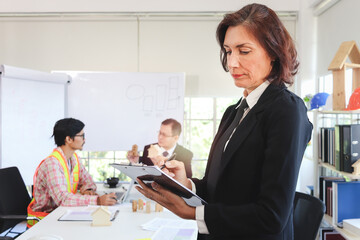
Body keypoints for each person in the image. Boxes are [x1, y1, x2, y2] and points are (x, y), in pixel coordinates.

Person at [135, 3, 313, 240]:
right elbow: (220, 187)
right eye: (229, 51)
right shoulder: (234, 111)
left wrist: (191, 213)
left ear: (273, 52)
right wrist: (187, 184)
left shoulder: (287, 110)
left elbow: (271, 216)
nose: (232, 63)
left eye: (244, 51)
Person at [27, 118, 117, 227]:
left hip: (63, 215)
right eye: (81, 136)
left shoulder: (73, 159)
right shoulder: (52, 164)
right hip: (44, 221)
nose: (84, 140)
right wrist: (97, 200)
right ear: (69, 139)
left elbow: (89, 182)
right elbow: (62, 199)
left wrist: (88, 190)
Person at [127, 118, 193, 178]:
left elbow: (188, 178)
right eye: (159, 133)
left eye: (164, 135)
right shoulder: (148, 149)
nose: (160, 137)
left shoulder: (186, 154)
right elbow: (142, 173)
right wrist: (135, 161)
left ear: (175, 138)